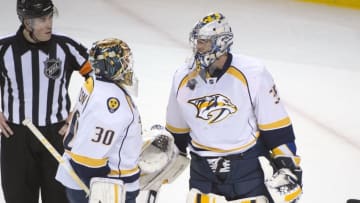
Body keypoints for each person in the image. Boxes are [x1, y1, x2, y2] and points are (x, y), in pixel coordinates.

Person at [165, 12, 303, 203]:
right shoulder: (183, 77)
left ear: (221, 42)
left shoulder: (253, 73)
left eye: (204, 41)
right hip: (202, 173)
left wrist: (289, 166)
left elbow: (276, 129)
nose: (198, 47)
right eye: (197, 41)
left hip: (246, 170)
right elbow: (176, 132)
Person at [0, 0, 92, 202]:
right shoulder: (3, 49)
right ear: (26, 22)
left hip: (57, 135)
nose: (49, 24)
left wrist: (76, 115)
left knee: (59, 199)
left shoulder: (65, 47)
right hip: (16, 138)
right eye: (42, 19)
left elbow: (97, 77)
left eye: (50, 17)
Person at [55, 38, 142, 203]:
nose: (128, 65)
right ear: (111, 65)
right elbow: (88, 159)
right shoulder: (111, 102)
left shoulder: (94, 82)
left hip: (81, 180)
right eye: (124, 61)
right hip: (107, 188)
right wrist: (103, 192)